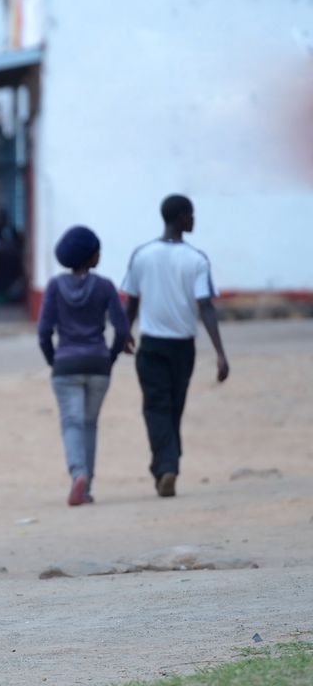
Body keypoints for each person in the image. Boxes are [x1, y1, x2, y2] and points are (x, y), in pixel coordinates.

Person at [122, 194, 229, 498]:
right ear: (181, 217)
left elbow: (131, 300)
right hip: (183, 348)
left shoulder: (141, 254)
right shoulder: (196, 259)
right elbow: (205, 306)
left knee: (157, 408)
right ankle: (167, 465)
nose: (194, 220)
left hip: (151, 346)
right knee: (174, 408)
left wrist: (124, 333)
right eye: (191, 215)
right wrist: (220, 352)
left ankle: (166, 466)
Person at [37, 227, 130, 506]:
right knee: (90, 424)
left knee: (71, 423)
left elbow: (44, 332)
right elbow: (122, 330)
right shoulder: (104, 286)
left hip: (66, 362)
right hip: (98, 363)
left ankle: (78, 473)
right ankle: (86, 486)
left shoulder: (54, 286)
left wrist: (54, 361)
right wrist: (110, 358)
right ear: (91, 257)